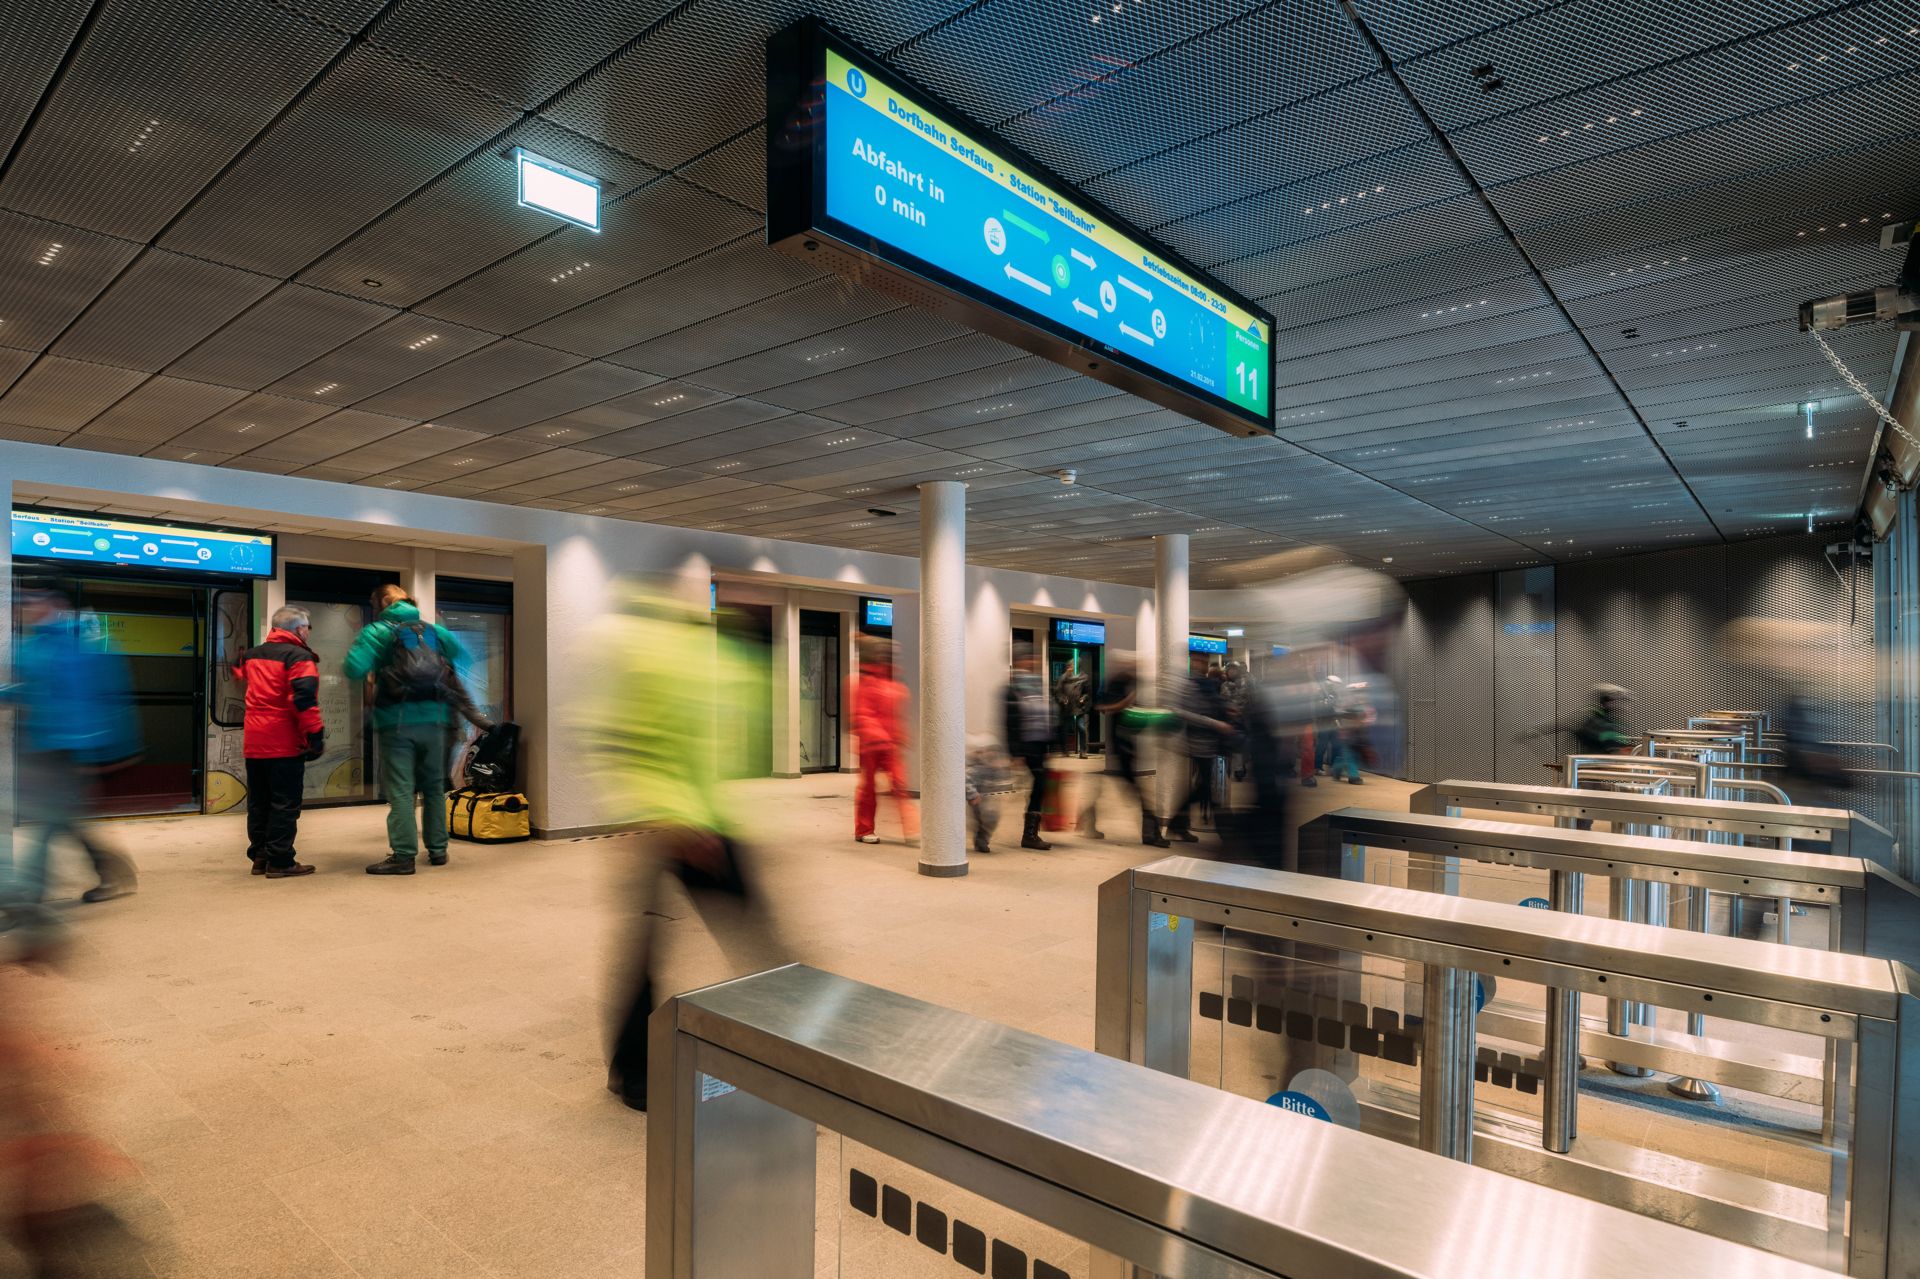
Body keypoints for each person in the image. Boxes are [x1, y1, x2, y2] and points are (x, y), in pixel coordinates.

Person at [583, 582, 786, 1112]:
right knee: (759, 943)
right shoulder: (693, 662)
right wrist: (682, 819)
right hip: (685, 824)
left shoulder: (665, 651)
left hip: (678, 820)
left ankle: (633, 1073)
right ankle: (798, 1049)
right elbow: (657, 741)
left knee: (648, 947)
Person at [0, 591, 139, 911]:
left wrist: (105, 752)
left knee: (50, 822)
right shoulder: (29, 646)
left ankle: (29, 895)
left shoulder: (81, 645)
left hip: (72, 752)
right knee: (64, 820)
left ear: (54, 604)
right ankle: (110, 871)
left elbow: (104, 698)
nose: (24, 609)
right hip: (39, 748)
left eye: (32, 603)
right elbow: (31, 689)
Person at [342, 585, 471, 875]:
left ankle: (403, 856)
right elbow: (463, 657)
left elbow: (353, 668)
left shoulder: (377, 632)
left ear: (384, 604)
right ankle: (438, 850)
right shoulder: (435, 631)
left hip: (396, 722)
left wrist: (377, 666)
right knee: (434, 788)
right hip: (437, 721)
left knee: (401, 791)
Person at [233, 607, 325, 878]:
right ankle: (281, 860)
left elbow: (239, 673)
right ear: (299, 629)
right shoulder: (299, 657)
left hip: (254, 740)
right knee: (285, 802)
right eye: (308, 627)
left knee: (259, 801)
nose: (309, 632)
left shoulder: (251, 655)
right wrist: (315, 735)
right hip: (284, 741)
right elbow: (303, 699)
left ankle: (260, 857)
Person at [852, 638, 916, 846]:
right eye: (883, 654)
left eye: (889, 654)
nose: (886, 657)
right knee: (868, 789)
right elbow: (862, 713)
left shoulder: (895, 684)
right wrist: (875, 734)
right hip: (871, 745)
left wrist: (901, 735)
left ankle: (912, 828)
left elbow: (897, 716)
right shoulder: (865, 682)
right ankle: (864, 830)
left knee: (900, 784)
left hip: (890, 746)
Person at [1167, 666, 1231, 842]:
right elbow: (1180, 711)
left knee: (1204, 788)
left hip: (1210, 744)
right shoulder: (1190, 685)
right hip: (1198, 744)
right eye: (1199, 660)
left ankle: (1177, 824)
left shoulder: (1209, 685)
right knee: (1206, 789)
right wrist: (1213, 723)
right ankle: (1224, 830)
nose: (1202, 664)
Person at [1003, 648, 1054, 850]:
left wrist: (1050, 744)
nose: (1032, 662)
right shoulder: (1012, 689)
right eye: (1028, 658)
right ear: (1018, 662)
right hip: (1026, 745)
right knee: (1040, 783)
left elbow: (1047, 715)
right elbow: (1009, 722)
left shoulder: (1036, 686)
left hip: (1039, 743)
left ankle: (1031, 832)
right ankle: (1029, 834)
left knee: (1040, 785)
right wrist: (1015, 752)